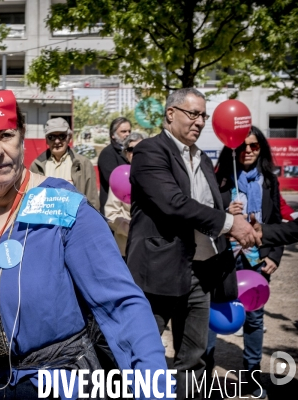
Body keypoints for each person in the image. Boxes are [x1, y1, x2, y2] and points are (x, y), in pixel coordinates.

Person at [0, 89, 169, 400]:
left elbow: (121, 305)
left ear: (22, 136)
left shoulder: (66, 208)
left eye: (6, 135)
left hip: (58, 383)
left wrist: (153, 388)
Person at [126, 88, 260, 400]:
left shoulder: (200, 158)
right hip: (158, 272)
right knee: (141, 354)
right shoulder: (150, 151)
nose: (200, 121)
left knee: (195, 358)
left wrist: (232, 218)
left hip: (200, 273)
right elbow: (174, 203)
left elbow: (206, 208)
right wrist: (229, 224)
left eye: (204, 115)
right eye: (193, 113)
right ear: (170, 114)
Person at [204, 126, 283, 398]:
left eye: (254, 146)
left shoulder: (270, 181)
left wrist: (274, 256)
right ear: (232, 149)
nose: (248, 151)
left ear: (261, 148)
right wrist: (225, 211)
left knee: (254, 319)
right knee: (213, 318)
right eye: (242, 146)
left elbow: (276, 222)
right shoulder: (221, 181)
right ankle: (204, 377)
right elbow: (209, 218)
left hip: (257, 261)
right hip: (225, 258)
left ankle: (251, 378)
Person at [30, 117, 100, 210]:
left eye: (62, 136)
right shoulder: (37, 166)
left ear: (69, 138)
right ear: (46, 140)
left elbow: (92, 200)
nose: (57, 141)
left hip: (76, 221)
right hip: (47, 222)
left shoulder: (83, 164)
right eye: (52, 137)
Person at [104, 132, 145, 256]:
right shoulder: (120, 178)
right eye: (131, 149)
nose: (135, 152)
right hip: (127, 247)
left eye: (140, 148)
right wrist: (131, 229)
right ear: (126, 154)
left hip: (152, 247)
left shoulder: (157, 176)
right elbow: (111, 215)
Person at [97, 117, 131, 213]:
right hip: (114, 210)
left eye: (129, 131)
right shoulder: (108, 154)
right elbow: (115, 182)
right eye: (123, 131)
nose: (127, 134)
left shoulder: (131, 151)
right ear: (113, 135)